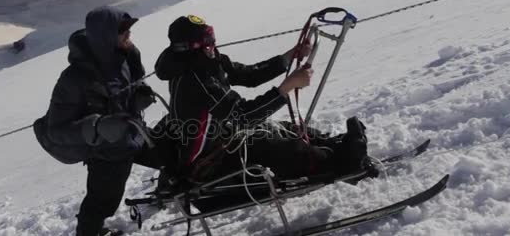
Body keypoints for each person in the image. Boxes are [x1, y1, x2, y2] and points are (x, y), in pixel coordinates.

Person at [153, 15, 377, 185]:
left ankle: (333, 146)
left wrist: (289, 57)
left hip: (222, 138)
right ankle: (343, 163)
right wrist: (287, 87)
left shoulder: (206, 62)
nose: (213, 45)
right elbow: (243, 116)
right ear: (192, 48)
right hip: (207, 163)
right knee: (271, 145)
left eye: (212, 38)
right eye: (207, 41)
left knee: (281, 128)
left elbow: (249, 75)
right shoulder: (196, 78)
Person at [33, 6, 158, 236]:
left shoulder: (127, 56)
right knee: (101, 203)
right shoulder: (73, 79)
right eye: (124, 33)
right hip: (105, 153)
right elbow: (56, 131)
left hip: (133, 137)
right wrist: (96, 127)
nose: (129, 37)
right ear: (106, 36)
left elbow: (133, 84)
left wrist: (140, 95)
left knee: (172, 152)